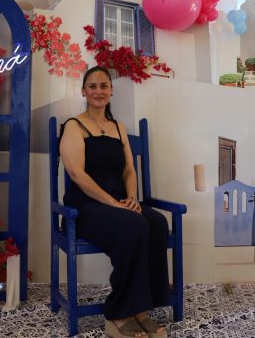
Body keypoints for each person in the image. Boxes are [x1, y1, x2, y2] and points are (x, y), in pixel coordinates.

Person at [59, 66, 169, 338]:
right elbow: (77, 174)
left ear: (111, 90)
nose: (98, 91)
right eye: (92, 86)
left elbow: (129, 169)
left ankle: (141, 309)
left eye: (103, 86)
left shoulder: (119, 128)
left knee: (156, 222)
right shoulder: (73, 126)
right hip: (84, 208)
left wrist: (131, 198)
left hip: (119, 203)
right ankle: (118, 314)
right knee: (134, 224)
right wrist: (114, 203)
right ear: (83, 91)